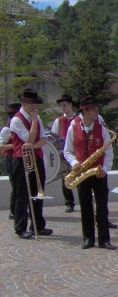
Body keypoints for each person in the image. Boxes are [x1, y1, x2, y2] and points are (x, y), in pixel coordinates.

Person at [63, 95, 114, 249]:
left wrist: (105, 169)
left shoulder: (102, 129)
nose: (96, 111)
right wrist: (74, 162)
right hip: (82, 173)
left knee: (102, 207)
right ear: (85, 111)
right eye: (93, 109)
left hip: (98, 173)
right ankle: (88, 239)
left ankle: (104, 239)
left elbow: (109, 151)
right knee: (85, 207)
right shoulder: (73, 128)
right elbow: (67, 151)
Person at [10, 89, 52, 239]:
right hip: (21, 160)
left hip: (36, 157)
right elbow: (29, 138)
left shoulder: (37, 117)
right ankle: (20, 227)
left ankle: (37, 225)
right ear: (24, 104)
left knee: (37, 192)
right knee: (22, 194)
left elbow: (43, 138)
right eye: (32, 104)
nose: (35, 107)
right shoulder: (16, 119)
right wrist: (34, 121)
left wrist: (33, 147)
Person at [51, 94, 78, 213]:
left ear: (70, 105)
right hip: (64, 154)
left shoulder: (78, 119)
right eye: (61, 106)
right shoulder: (59, 120)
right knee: (65, 178)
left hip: (78, 151)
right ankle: (69, 202)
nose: (63, 107)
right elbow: (53, 137)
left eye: (65, 105)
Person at [1, 103, 20, 220]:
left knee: (21, 187)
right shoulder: (7, 129)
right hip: (11, 160)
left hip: (19, 160)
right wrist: (15, 145)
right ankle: (13, 211)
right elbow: (1, 146)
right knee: (16, 187)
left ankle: (20, 210)